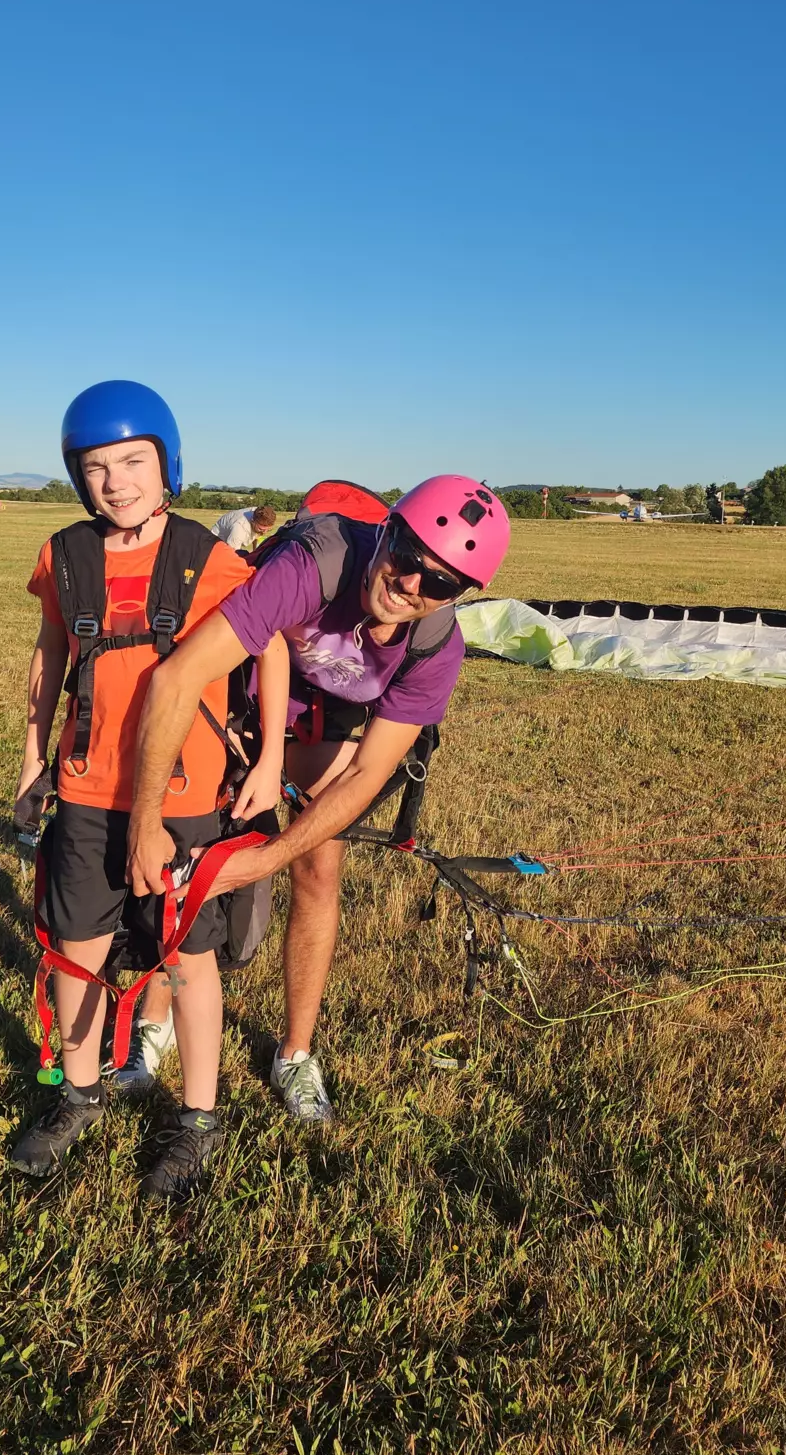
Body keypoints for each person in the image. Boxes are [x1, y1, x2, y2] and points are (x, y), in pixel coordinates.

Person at [127, 477, 511, 1125]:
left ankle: (295, 1053)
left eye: (440, 584)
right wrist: (147, 813)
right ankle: (155, 1021)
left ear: (459, 596)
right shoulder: (314, 563)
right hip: (245, 684)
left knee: (318, 863)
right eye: (407, 560)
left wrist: (269, 857)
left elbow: (365, 773)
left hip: (326, 715)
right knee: (192, 844)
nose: (413, 585)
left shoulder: (434, 646)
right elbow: (186, 673)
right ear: (385, 534)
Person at [9, 380, 288, 1200]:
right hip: (88, 786)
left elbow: (267, 645)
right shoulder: (64, 555)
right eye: (95, 467)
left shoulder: (206, 556)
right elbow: (48, 659)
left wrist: (270, 756)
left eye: (133, 461)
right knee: (76, 950)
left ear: (166, 464)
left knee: (188, 956)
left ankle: (198, 1118)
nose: (116, 481)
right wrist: (32, 760)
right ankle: (79, 1093)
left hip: (187, 792)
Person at [211, 503, 278, 552]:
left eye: (268, 529)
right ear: (252, 521)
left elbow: (257, 537)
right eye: (261, 529)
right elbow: (232, 553)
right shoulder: (239, 528)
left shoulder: (260, 513)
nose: (265, 532)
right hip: (217, 543)